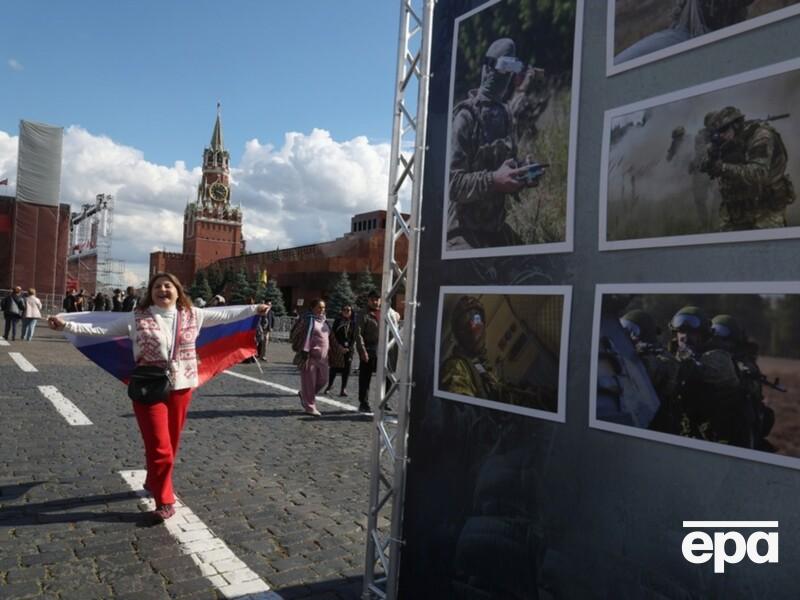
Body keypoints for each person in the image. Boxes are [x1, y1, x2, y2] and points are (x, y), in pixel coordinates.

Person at [48, 271, 270, 522]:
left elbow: (226, 314)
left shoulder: (193, 315)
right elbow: (101, 328)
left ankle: (153, 479)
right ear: (151, 293)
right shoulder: (136, 317)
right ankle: (165, 500)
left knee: (170, 445)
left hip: (182, 387)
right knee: (159, 446)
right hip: (148, 387)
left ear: (177, 291)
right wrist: (66, 325)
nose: (163, 290)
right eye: (157, 287)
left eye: (168, 286)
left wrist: (255, 309)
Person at [447, 37, 542, 250]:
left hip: (494, 228)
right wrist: (494, 180)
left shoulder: (505, 115)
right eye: (502, 67)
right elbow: (452, 185)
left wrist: (522, 173)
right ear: (487, 68)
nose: (504, 77)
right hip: (462, 232)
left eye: (512, 69)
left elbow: (505, 167)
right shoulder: (466, 117)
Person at [700, 106, 794, 231]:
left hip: (765, 210)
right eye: (718, 131)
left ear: (736, 125)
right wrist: (708, 162)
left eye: (723, 130)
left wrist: (721, 167)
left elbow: (758, 173)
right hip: (736, 209)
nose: (721, 135)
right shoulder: (724, 140)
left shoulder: (761, 136)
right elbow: (704, 161)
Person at [668, 305, 742, 444]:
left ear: (703, 335)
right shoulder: (676, 356)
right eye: (681, 331)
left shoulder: (719, 357)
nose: (685, 336)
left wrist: (683, 358)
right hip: (689, 431)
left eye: (692, 332)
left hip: (718, 436)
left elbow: (700, 371)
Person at [293, 298, 329, 417]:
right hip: (309, 356)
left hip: (323, 358)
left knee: (323, 380)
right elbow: (296, 333)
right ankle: (310, 407)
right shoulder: (307, 320)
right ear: (313, 308)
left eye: (323, 307)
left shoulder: (324, 321)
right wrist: (302, 349)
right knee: (309, 383)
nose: (321, 310)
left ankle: (305, 395)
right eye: (319, 307)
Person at [356, 291, 382, 413]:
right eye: (373, 299)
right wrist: (362, 351)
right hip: (369, 348)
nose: (375, 302)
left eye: (377, 299)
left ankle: (383, 401)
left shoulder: (384, 312)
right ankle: (364, 402)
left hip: (382, 349)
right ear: (368, 300)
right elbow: (358, 334)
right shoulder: (363, 314)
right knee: (365, 378)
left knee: (385, 377)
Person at [325, 305, 355, 397]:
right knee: (334, 368)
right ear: (341, 311)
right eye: (344, 310)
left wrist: (349, 348)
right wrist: (339, 347)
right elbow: (333, 335)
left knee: (346, 369)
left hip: (349, 349)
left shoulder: (353, 323)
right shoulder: (338, 321)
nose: (346, 311)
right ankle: (330, 385)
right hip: (338, 348)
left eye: (348, 310)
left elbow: (354, 337)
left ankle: (343, 389)